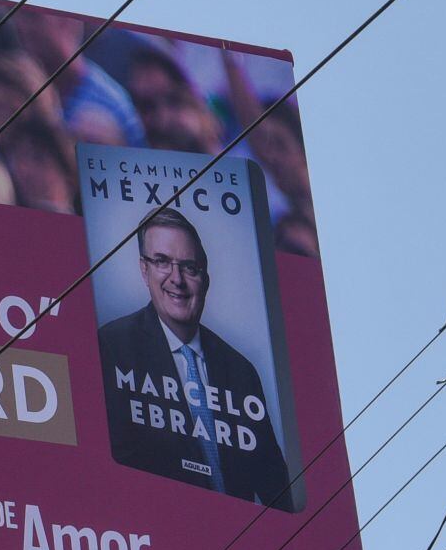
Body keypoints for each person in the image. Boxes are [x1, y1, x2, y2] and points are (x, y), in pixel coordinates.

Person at [95, 208, 296, 510]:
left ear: (205, 279)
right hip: (153, 536)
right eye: (162, 262)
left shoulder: (240, 372)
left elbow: (278, 491)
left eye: (190, 267)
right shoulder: (112, 347)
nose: (177, 279)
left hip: (238, 542)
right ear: (143, 270)